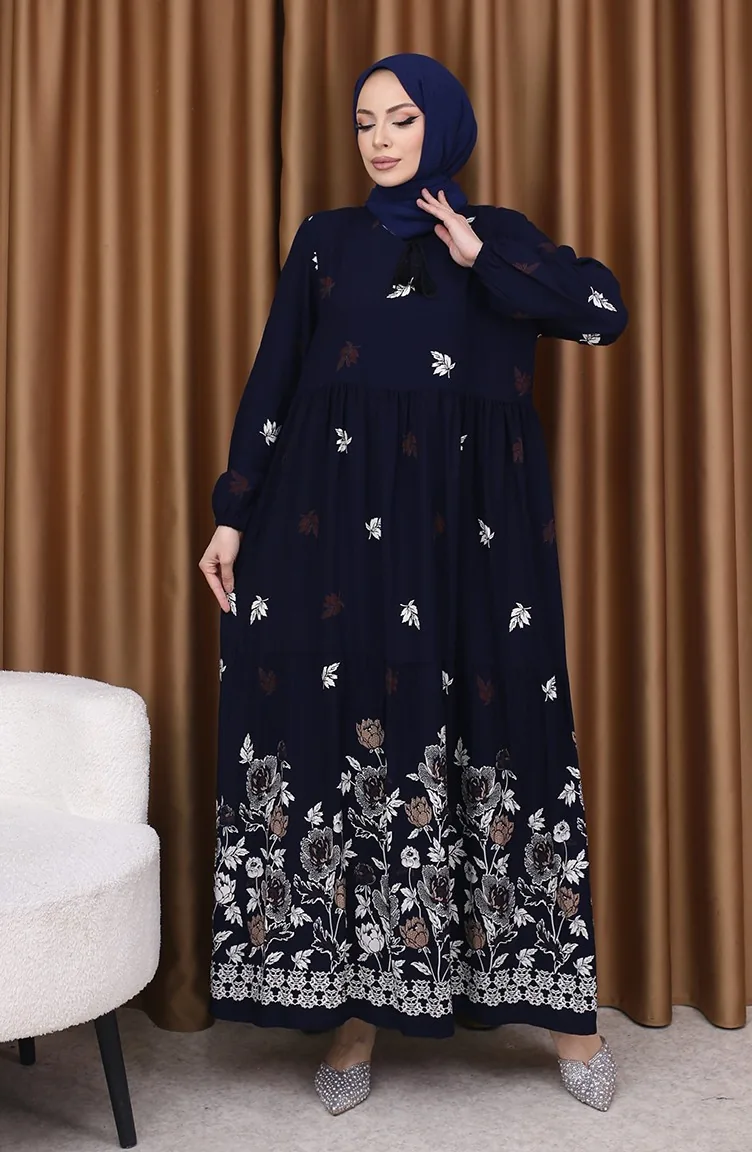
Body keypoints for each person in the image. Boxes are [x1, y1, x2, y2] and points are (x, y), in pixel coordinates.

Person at [199, 52, 627, 1117]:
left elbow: (599, 316)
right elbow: (274, 378)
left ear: (441, 126)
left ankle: (567, 1017)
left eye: (399, 118)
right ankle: (358, 1014)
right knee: (357, 734)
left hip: (474, 538)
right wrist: (232, 510)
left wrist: (481, 256)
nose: (380, 139)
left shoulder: (502, 238)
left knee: (502, 735)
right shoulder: (325, 241)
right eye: (364, 123)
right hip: (333, 534)